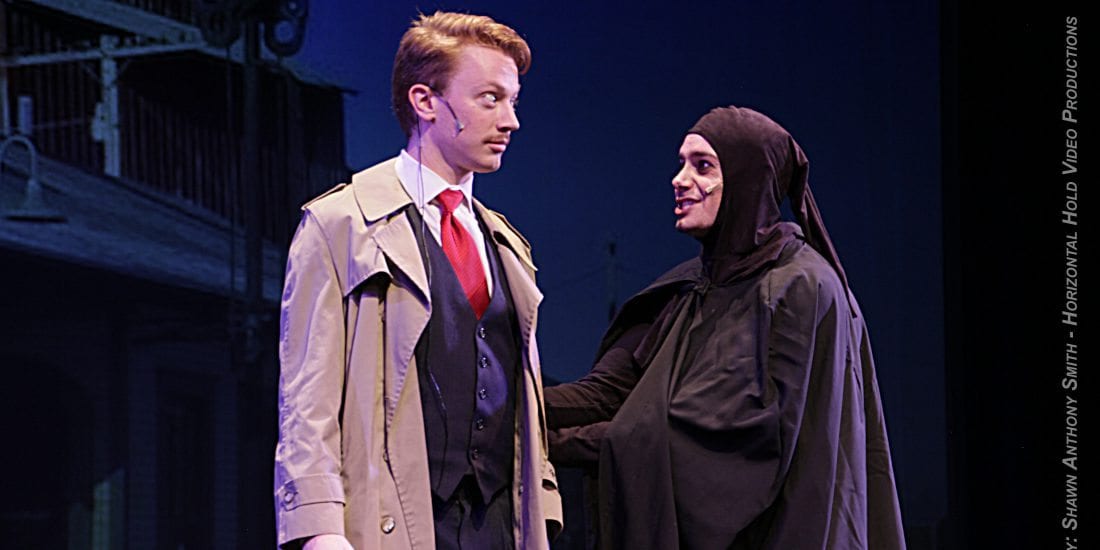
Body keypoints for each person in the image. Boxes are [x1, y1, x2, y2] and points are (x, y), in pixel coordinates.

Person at [545, 106, 906, 549]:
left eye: (703, 166)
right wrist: (509, 406)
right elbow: (610, 392)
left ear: (748, 179)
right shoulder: (691, 287)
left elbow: (727, 440)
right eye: (681, 163)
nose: (679, 180)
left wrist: (545, 442)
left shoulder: (799, 288)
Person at [274, 11, 561, 550]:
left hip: (498, 526)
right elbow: (307, 401)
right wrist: (319, 530)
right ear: (426, 102)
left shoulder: (507, 245)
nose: (511, 121)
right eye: (490, 99)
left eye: (513, 101)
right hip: (396, 522)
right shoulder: (342, 225)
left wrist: (541, 511)